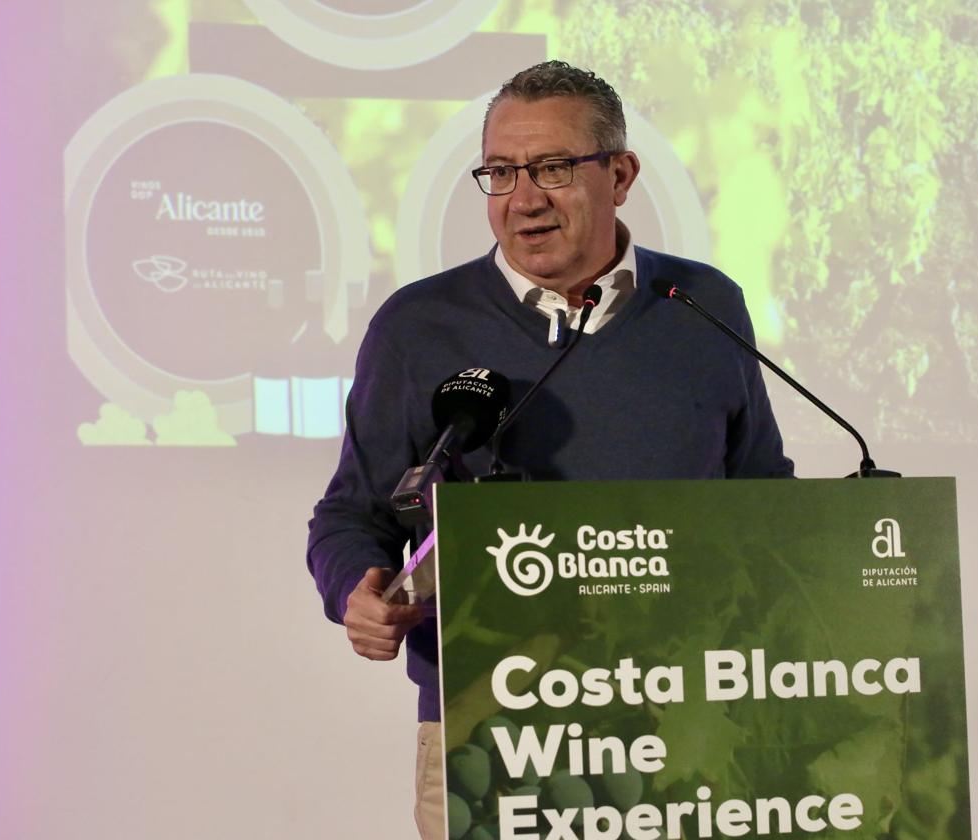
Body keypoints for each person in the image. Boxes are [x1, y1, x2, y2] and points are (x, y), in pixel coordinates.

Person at [307, 60, 794, 840]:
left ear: (622, 173)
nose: (523, 199)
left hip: (687, 724)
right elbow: (350, 514)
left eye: (554, 168)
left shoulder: (703, 306)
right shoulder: (418, 327)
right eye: (500, 173)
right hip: (487, 733)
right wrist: (350, 594)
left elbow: (763, 495)